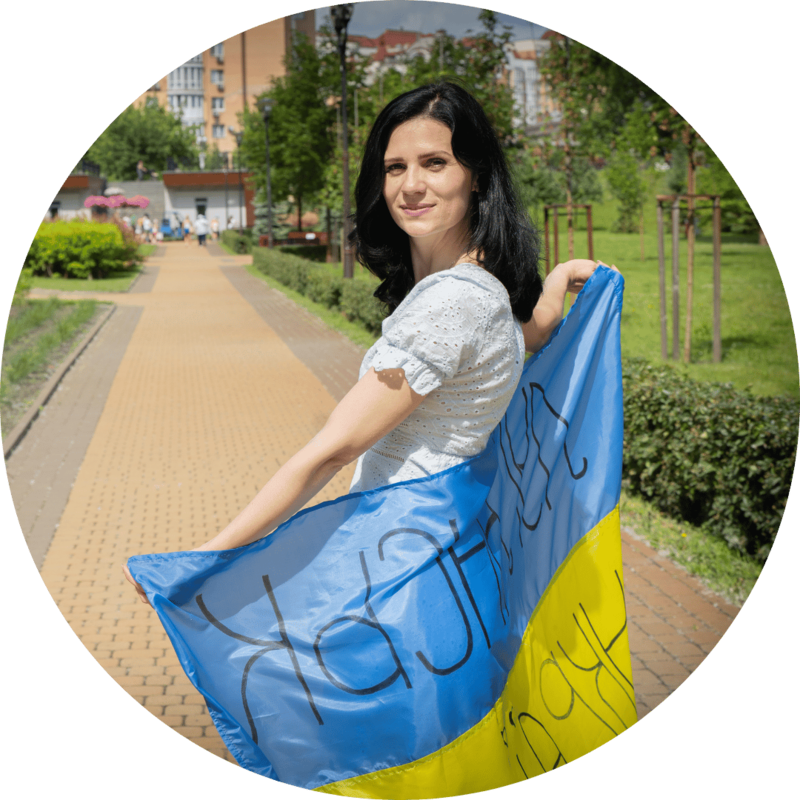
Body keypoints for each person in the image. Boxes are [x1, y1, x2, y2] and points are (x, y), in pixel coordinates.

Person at [125, 80, 614, 597]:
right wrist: (558, 280)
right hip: (441, 552)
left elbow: (332, 451)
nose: (411, 185)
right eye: (395, 167)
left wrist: (207, 557)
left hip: (404, 565)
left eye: (435, 163)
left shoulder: (451, 302)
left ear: (477, 177)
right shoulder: (485, 288)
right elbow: (526, 333)